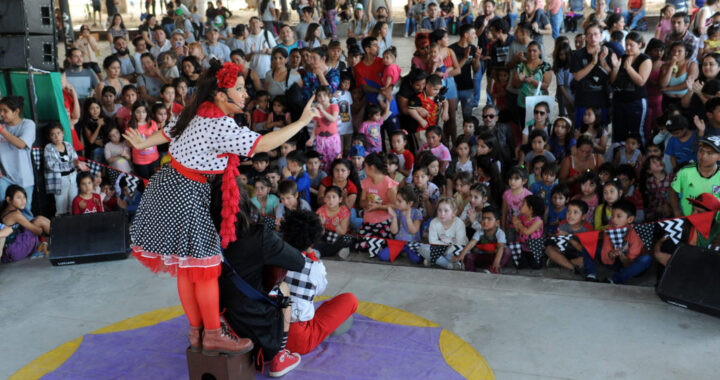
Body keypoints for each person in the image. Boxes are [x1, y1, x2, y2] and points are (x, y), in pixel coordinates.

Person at [123, 60, 318, 356]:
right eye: (238, 89)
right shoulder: (219, 124)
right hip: (187, 194)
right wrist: (302, 123)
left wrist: (142, 143)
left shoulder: (195, 110)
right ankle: (213, 334)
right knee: (204, 268)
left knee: (188, 270)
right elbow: (262, 144)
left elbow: (168, 133)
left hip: (169, 187)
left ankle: (197, 331)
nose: (244, 94)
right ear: (219, 95)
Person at [215, 182, 306, 377]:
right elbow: (298, 262)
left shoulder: (203, 237)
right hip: (255, 322)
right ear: (246, 203)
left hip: (218, 318)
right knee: (282, 287)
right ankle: (279, 357)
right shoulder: (258, 235)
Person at [281, 210, 358, 357]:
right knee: (349, 300)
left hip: (271, 333)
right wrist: (312, 255)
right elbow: (319, 289)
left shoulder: (271, 258)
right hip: (298, 340)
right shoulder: (314, 266)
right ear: (313, 240)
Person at [584, 199, 652, 283]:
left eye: (619, 216)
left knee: (646, 259)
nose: (614, 219)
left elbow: (628, 264)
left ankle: (613, 280)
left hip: (632, 267)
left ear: (630, 219)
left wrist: (621, 254)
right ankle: (591, 275)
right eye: (612, 215)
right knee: (588, 244)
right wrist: (611, 254)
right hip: (615, 264)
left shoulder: (636, 233)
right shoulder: (609, 229)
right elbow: (606, 259)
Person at [610, 31, 652, 144]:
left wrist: (629, 68)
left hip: (636, 101)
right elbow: (613, 81)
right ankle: (619, 157)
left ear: (640, 44)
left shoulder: (645, 59)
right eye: (626, 44)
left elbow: (641, 81)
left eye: (631, 45)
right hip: (619, 100)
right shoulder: (622, 57)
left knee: (636, 132)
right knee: (618, 132)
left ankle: (638, 158)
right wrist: (615, 68)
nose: (628, 48)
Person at [0, 96, 36, 219]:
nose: (1, 114)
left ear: (16, 111)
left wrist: (1, 130)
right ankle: (7, 236)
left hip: (23, 178)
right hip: (5, 177)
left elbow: (21, 144)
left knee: (25, 212)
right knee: (3, 208)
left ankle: (28, 236)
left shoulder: (28, 124)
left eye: (5, 111)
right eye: (0, 111)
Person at [669, 136, 720, 216]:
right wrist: (676, 211)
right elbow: (672, 192)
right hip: (688, 220)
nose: (703, 156)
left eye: (709, 153)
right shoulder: (685, 171)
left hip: (715, 224)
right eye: (701, 151)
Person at [1, 186, 51, 262]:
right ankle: (61, 237)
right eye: (19, 198)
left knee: (38, 220)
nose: (23, 201)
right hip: (14, 251)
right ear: (9, 199)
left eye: (24, 197)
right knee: (39, 221)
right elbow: (36, 230)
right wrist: (45, 233)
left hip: (10, 250)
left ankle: (60, 235)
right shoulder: (15, 214)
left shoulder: (6, 209)